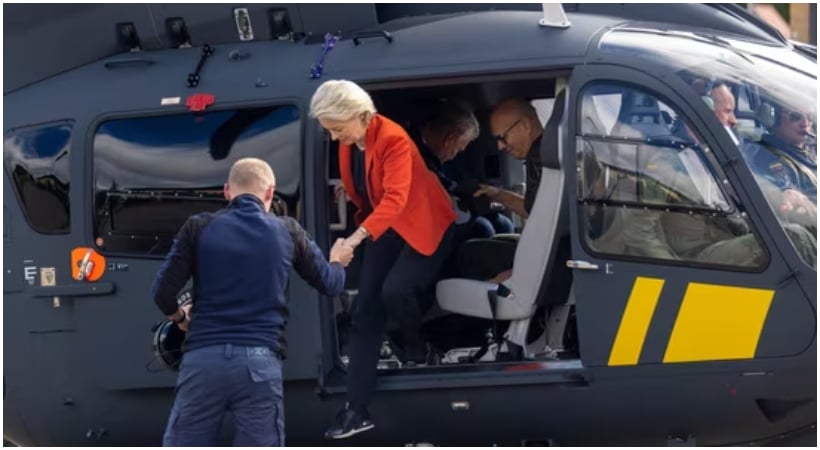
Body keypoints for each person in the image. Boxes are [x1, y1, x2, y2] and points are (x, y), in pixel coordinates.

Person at [151, 158, 354, 446]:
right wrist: (337, 262)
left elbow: (162, 293)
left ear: (227, 191)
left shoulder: (198, 227)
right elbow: (330, 284)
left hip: (203, 361)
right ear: (270, 192)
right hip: (259, 363)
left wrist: (181, 318)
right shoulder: (288, 231)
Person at [310, 80, 456, 440]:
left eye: (337, 128)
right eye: (329, 130)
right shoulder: (349, 142)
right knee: (364, 312)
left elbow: (395, 199)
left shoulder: (393, 139)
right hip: (386, 224)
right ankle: (356, 410)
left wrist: (355, 238)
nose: (334, 137)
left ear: (360, 115)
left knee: (396, 289)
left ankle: (417, 351)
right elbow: (371, 198)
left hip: (423, 220)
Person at [416, 100, 513, 242]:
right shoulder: (416, 158)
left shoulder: (430, 157)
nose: (454, 156)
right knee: (482, 228)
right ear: (449, 140)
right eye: (458, 149)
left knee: (501, 223)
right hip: (425, 227)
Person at [473, 97, 546, 219]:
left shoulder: (539, 160)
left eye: (503, 137)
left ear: (525, 125)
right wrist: (499, 195)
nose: (500, 146)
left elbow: (542, 217)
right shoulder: (545, 153)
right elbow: (536, 210)